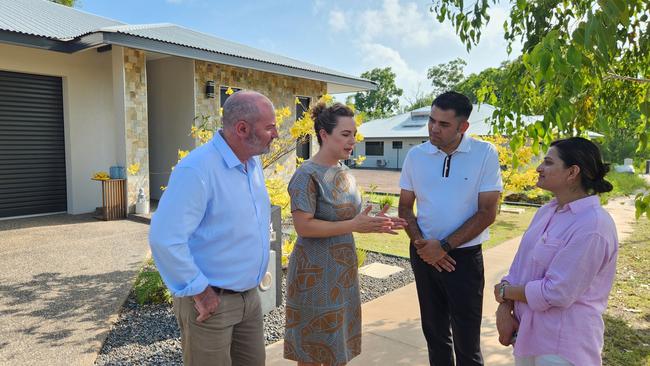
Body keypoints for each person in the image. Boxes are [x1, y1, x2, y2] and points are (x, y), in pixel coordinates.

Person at [149, 90, 278, 366]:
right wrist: (201, 291)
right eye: (270, 127)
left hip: (249, 300)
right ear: (242, 129)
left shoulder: (252, 163)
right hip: (210, 305)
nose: (276, 134)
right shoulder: (197, 170)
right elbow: (165, 239)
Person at [283, 101, 407, 366]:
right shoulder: (306, 174)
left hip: (342, 273)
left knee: (338, 346)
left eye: (354, 134)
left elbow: (352, 218)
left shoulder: (345, 173)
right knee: (313, 349)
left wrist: (377, 221)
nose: (352, 141)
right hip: (314, 274)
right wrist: (353, 225)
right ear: (324, 135)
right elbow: (303, 226)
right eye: (345, 134)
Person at [398, 91, 503, 366]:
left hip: (463, 259)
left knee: (467, 342)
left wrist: (443, 247)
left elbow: (487, 212)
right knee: (435, 335)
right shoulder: (415, 156)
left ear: (463, 127)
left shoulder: (484, 154)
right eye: (432, 120)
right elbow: (406, 208)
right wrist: (423, 245)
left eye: (443, 124)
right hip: (423, 255)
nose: (434, 128)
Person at [494, 137, 618, 366]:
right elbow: (518, 268)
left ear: (572, 172)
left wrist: (505, 293)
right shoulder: (546, 211)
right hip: (526, 335)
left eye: (549, 162)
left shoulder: (593, 225)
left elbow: (556, 292)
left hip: (562, 346)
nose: (539, 168)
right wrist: (504, 309)